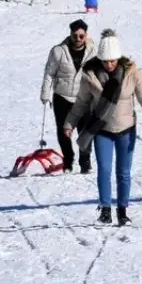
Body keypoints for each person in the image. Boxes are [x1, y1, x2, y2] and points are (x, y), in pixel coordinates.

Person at [63, 29, 142, 226]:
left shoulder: (132, 73)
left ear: (119, 58)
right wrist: (69, 123)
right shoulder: (90, 74)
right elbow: (81, 103)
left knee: (123, 172)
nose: (109, 65)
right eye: (105, 61)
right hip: (101, 129)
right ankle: (105, 209)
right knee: (104, 169)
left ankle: (122, 210)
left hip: (126, 129)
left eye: (112, 60)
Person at [41, 20, 95, 174]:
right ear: (70, 34)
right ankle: (68, 160)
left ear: (86, 35)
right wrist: (45, 94)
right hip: (62, 96)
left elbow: (98, 74)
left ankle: (85, 161)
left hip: (83, 97)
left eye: (81, 36)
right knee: (63, 131)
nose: (78, 39)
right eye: (75, 36)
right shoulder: (58, 51)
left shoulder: (92, 51)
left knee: (85, 131)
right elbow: (49, 73)